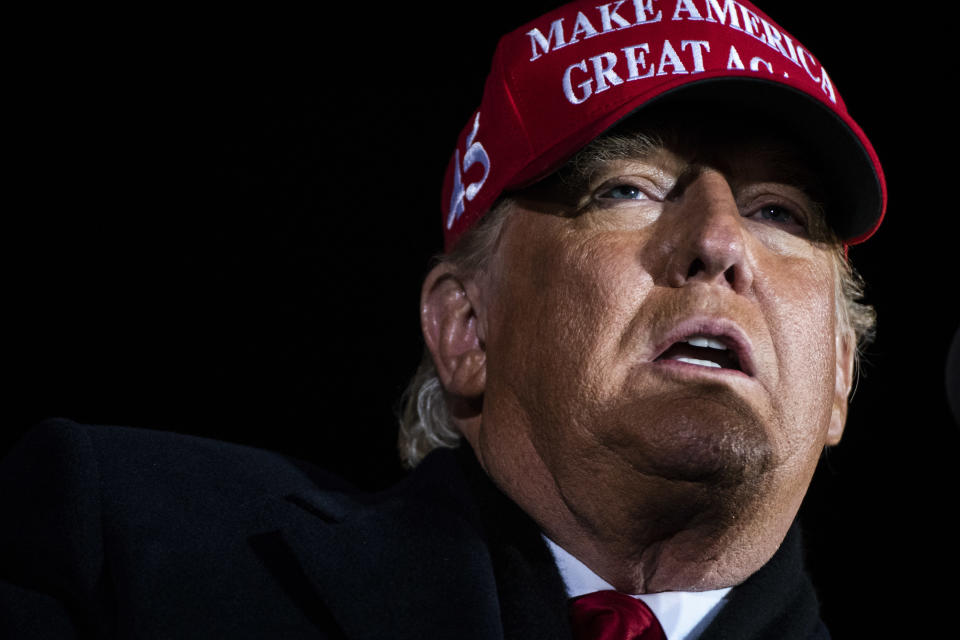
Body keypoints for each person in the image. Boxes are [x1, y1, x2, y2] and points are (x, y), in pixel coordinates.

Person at [1, 1, 885, 638]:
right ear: (466, 328)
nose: (722, 239)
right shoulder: (127, 551)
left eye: (782, 215)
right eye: (629, 190)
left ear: (841, 374)